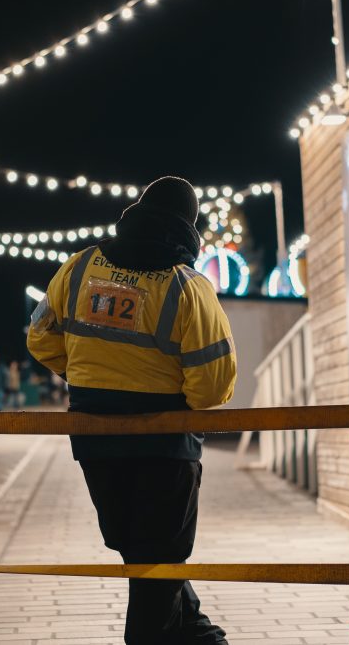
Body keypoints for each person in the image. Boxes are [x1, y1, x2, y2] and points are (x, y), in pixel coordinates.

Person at [27, 176, 236, 644]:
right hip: (164, 449)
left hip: (96, 442)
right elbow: (212, 387)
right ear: (190, 228)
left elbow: (40, 336)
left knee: (146, 560)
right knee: (156, 568)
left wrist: (87, 376)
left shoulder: (79, 268)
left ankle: (201, 634)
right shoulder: (188, 288)